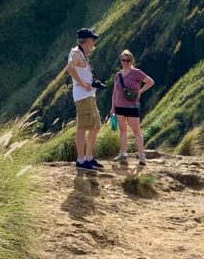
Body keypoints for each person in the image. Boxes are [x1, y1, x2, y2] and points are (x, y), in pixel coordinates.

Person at [110, 49, 155, 165]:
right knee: (123, 130)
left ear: (131, 60)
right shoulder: (118, 75)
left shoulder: (136, 72)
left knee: (136, 131)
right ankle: (123, 153)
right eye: (123, 60)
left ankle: (141, 156)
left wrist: (140, 91)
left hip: (132, 106)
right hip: (119, 106)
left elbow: (150, 82)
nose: (125, 62)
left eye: (127, 60)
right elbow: (115, 92)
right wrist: (113, 107)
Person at [66, 28, 102, 170]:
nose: (94, 42)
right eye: (93, 39)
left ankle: (88, 158)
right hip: (83, 95)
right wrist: (81, 83)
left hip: (89, 95)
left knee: (95, 126)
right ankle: (81, 160)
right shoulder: (76, 53)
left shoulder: (82, 54)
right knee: (83, 127)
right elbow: (70, 68)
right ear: (86, 40)